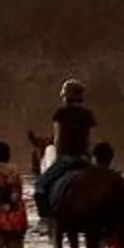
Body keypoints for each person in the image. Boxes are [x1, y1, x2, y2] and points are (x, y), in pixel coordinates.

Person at [29, 78, 98, 212]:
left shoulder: (60, 113)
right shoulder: (88, 115)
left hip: (66, 158)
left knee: (40, 185)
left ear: (65, 96)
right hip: (84, 158)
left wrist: (59, 156)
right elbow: (89, 141)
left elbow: (58, 140)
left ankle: (46, 215)